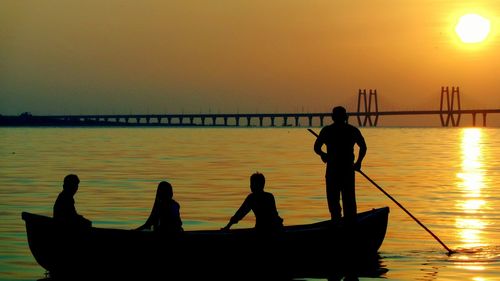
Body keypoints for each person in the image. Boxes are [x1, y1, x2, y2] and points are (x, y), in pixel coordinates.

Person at [314, 106, 367, 223]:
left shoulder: (327, 131)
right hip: (346, 170)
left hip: (334, 170)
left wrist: (323, 154)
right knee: (348, 202)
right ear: (346, 117)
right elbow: (363, 147)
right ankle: (348, 225)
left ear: (333, 117)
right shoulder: (352, 130)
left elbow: (316, 148)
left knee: (334, 202)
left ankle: (337, 223)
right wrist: (358, 162)